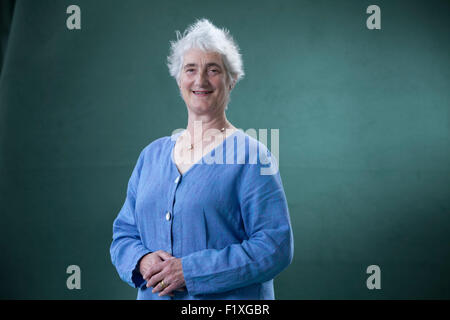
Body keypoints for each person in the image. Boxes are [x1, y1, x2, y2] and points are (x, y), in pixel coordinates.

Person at [110, 18, 293, 300]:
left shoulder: (253, 157)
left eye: (213, 70)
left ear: (231, 81)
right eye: (191, 69)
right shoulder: (151, 156)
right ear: (179, 79)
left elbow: (274, 246)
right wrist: (142, 260)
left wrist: (191, 271)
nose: (200, 80)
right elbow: (124, 234)